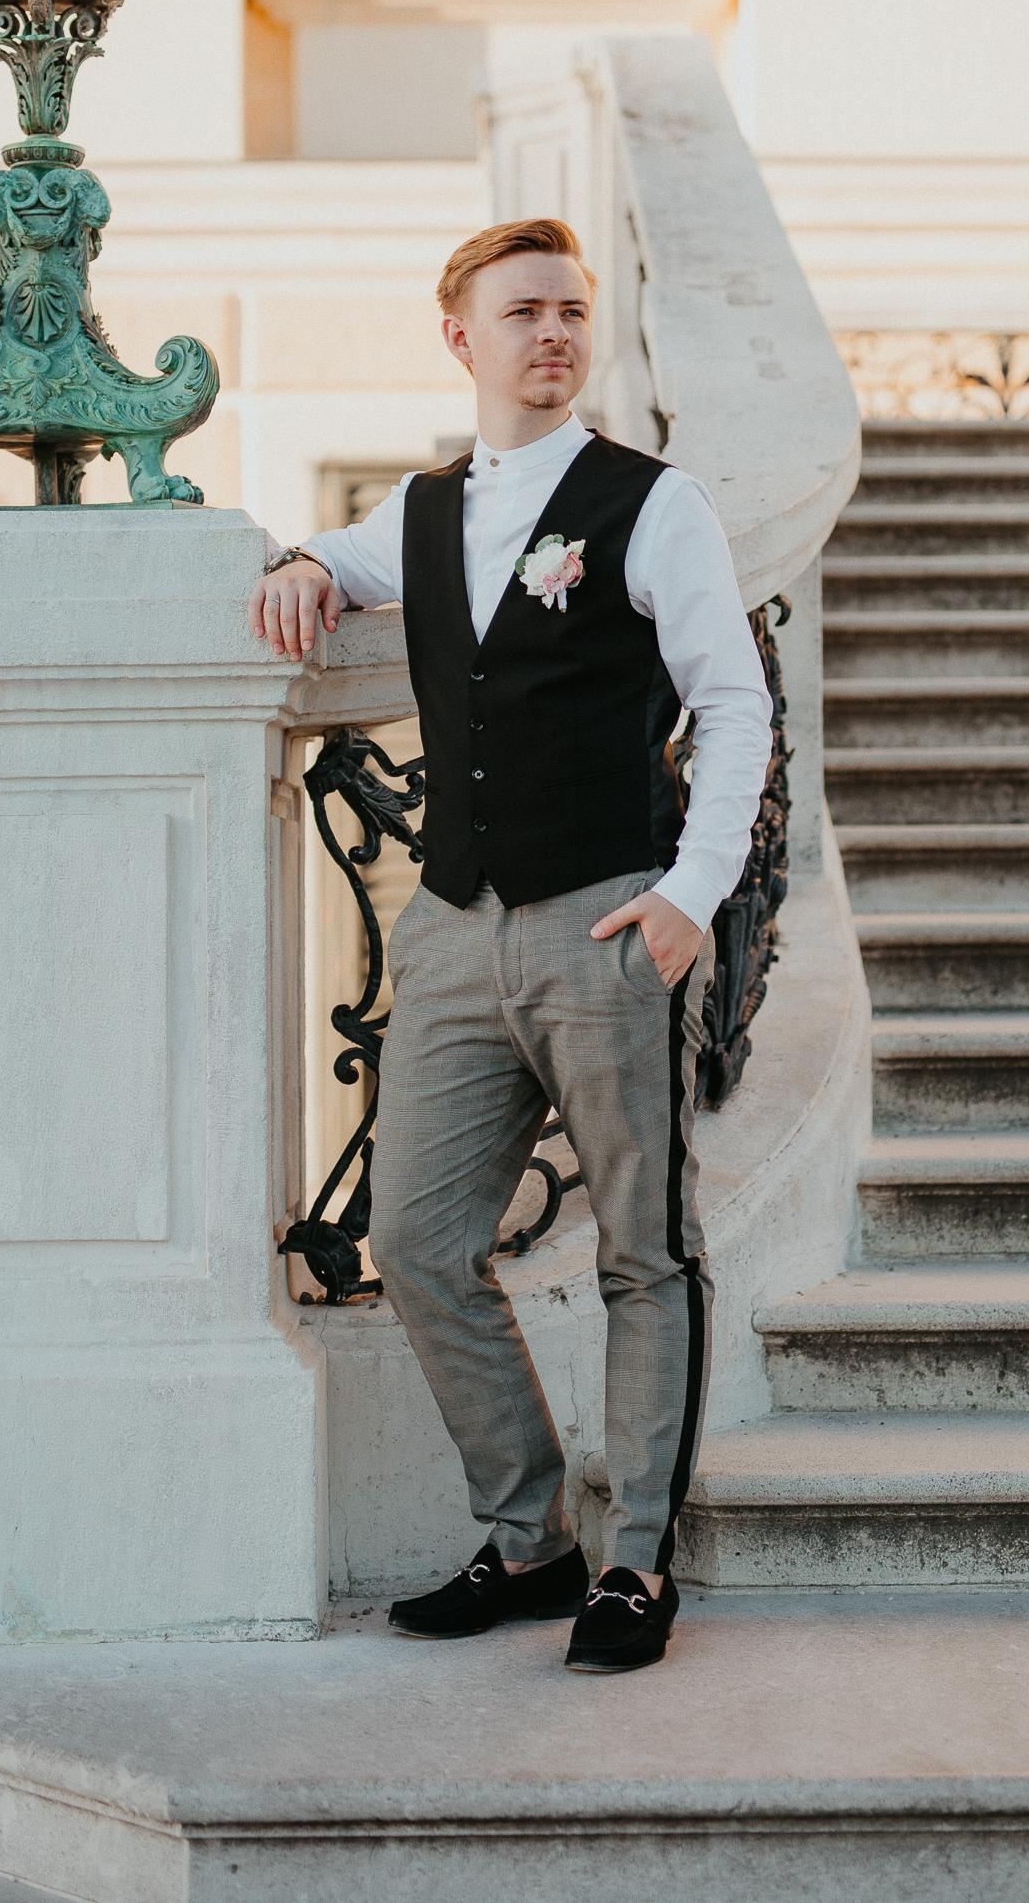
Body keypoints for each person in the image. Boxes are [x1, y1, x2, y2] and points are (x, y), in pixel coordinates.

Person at [250, 215, 772, 1673]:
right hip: (453, 935)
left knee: (643, 1255)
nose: (552, 332)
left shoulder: (651, 504)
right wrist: (299, 557)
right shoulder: (418, 516)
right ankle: (529, 1535)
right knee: (414, 1240)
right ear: (461, 338)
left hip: (608, 923)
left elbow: (733, 703)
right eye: (524, 311)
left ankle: (635, 1568)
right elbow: (330, 563)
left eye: (571, 311)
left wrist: (690, 894)